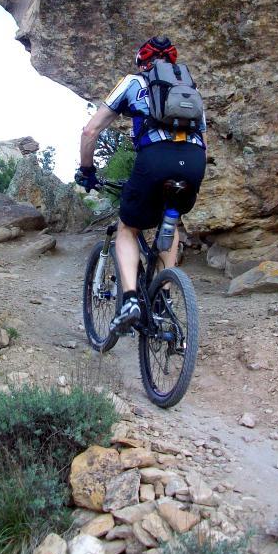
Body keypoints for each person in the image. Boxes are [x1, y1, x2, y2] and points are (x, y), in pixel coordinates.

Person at [76, 36, 206, 332]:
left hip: (154, 160)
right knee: (170, 221)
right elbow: (204, 141)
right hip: (193, 161)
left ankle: (131, 300)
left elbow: (90, 130)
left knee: (128, 227)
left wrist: (87, 169)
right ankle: (165, 300)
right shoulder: (190, 89)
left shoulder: (133, 82)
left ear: (142, 63)